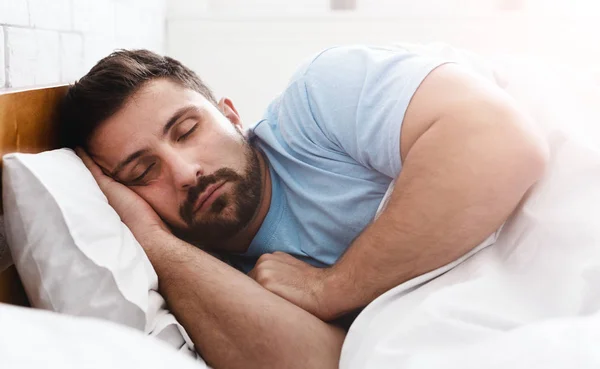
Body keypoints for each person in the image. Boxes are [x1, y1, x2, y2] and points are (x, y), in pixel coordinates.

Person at [60, 45, 548, 369]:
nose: (185, 172)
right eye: (143, 172)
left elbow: (503, 141)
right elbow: (325, 365)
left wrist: (331, 288)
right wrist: (153, 243)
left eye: (187, 130)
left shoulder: (319, 102)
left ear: (231, 114)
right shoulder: (201, 279)